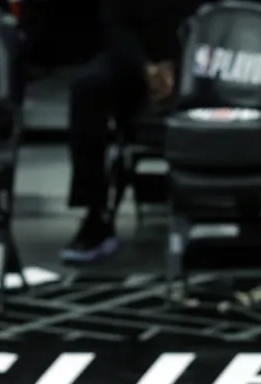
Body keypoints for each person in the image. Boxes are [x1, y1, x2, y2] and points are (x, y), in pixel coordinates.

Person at [60, 0, 204, 263]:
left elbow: (213, 17)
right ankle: (96, 215)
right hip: (135, 62)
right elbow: (116, 26)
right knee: (86, 89)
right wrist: (145, 68)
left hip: (194, 58)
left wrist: (179, 66)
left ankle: (234, 210)